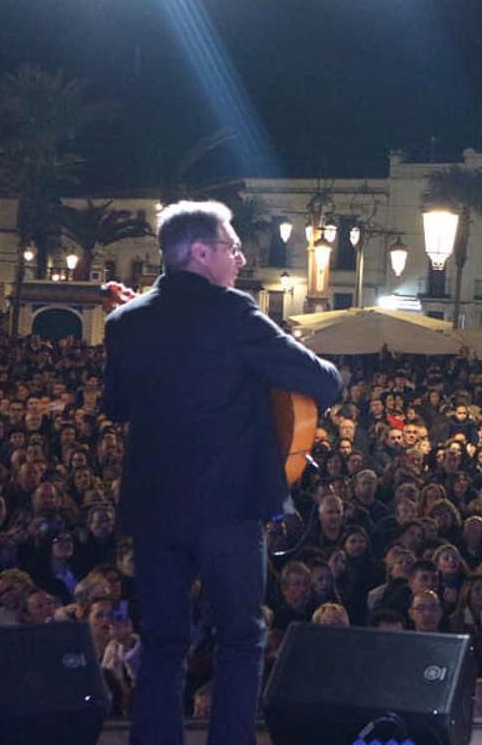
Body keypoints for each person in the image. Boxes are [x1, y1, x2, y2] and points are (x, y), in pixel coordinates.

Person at [102, 200, 341, 745]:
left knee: (161, 641)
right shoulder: (234, 313)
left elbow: (117, 405)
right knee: (240, 637)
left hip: (155, 510)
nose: (240, 258)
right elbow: (324, 383)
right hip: (228, 510)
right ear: (200, 252)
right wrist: (291, 349)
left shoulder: (124, 321)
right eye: (232, 248)